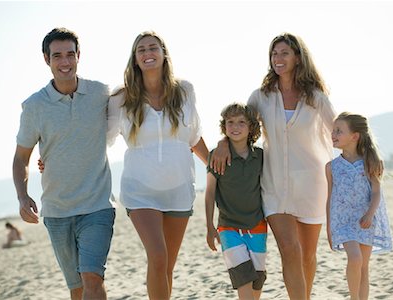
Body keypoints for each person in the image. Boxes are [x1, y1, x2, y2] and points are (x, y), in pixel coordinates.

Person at [210, 33, 336, 299]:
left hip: (311, 185)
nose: (278, 59)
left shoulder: (315, 97)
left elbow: (337, 131)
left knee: (308, 255)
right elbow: (240, 123)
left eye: (284, 54)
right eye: (274, 54)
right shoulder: (261, 96)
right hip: (274, 185)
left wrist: (362, 153)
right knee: (290, 249)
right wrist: (222, 142)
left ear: (298, 58)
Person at [12, 27, 115, 300]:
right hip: (57, 211)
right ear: (46, 59)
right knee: (77, 288)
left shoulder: (101, 93)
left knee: (92, 277)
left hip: (97, 206)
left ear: (79, 55)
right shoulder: (34, 106)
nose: (65, 62)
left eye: (70, 54)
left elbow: (141, 105)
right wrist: (23, 197)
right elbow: (21, 158)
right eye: (57, 56)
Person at [107, 31, 209, 300]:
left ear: (164, 54)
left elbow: (194, 136)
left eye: (153, 47)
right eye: (141, 50)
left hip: (179, 188)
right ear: (135, 59)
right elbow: (100, 141)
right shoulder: (121, 98)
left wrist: (214, 166)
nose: (147, 53)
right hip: (140, 190)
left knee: (166, 266)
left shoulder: (184, 91)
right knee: (158, 256)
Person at [326, 112, 392, 300]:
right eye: (333, 130)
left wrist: (370, 214)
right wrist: (329, 228)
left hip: (365, 220)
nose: (334, 134)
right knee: (354, 258)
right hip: (343, 221)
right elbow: (329, 198)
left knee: (363, 266)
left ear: (354, 136)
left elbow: (377, 192)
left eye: (339, 131)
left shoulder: (371, 162)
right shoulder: (331, 167)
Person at [205, 103, 266, 300]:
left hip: (257, 226)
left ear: (251, 128)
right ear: (224, 127)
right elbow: (209, 192)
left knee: (257, 279)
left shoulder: (260, 156)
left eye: (241, 122)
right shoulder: (218, 156)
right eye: (230, 122)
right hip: (229, 228)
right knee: (242, 277)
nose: (235, 127)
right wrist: (209, 226)